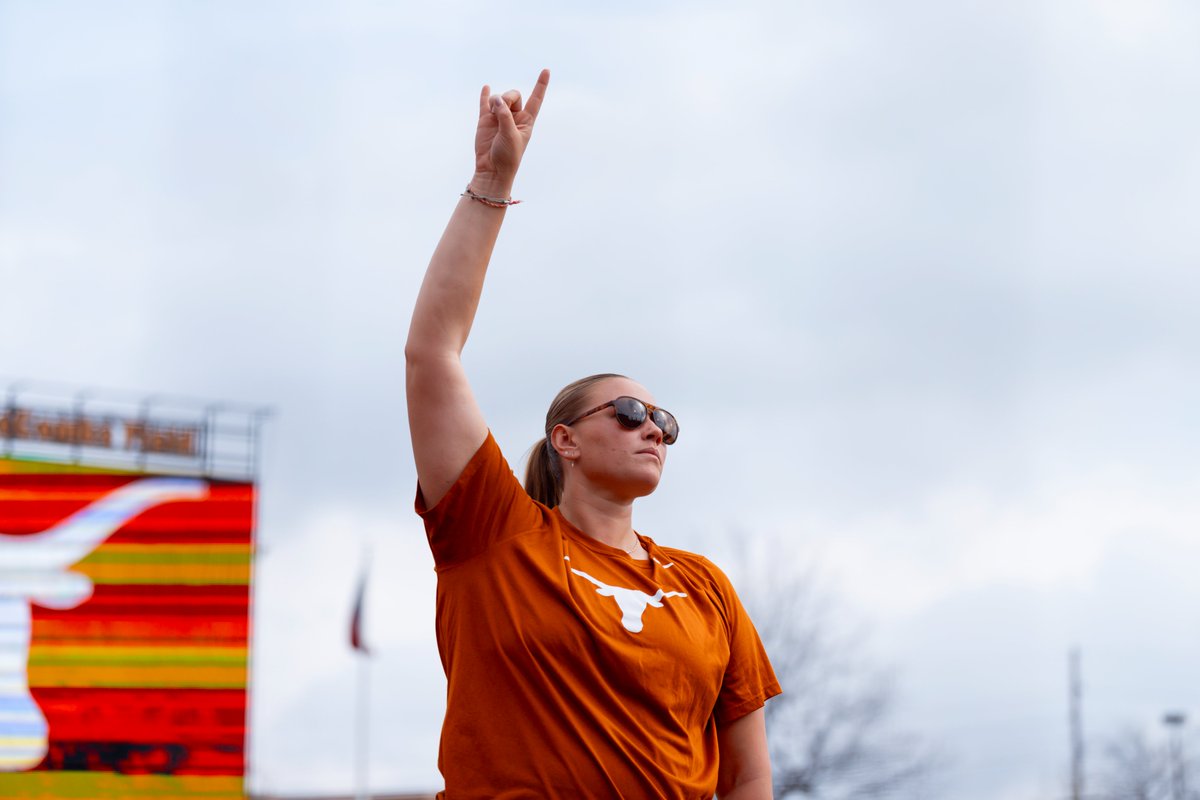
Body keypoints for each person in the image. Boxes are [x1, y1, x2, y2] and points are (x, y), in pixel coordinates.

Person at [405, 69, 781, 799]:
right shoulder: (494, 533)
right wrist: (491, 183)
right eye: (630, 414)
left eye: (664, 421)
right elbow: (432, 354)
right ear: (564, 442)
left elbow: (750, 777)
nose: (654, 432)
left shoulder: (706, 587)